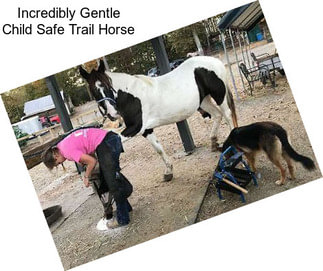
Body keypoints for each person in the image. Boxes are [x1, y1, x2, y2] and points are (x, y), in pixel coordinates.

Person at [41, 127, 133, 229]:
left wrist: (86, 176)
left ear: (55, 156)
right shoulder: (62, 145)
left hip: (107, 142)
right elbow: (86, 148)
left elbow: (92, 161)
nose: (60, 163)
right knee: (111, 177)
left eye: (57, 163)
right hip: (107, 140)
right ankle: (126, 208)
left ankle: (123, 219)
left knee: (113, 182)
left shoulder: (67, 151)